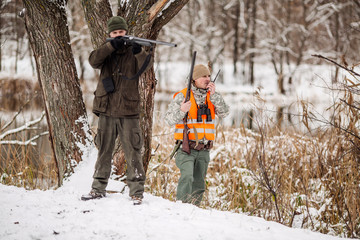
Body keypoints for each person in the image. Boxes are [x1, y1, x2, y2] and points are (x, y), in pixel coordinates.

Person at [81, 16, 153, 205]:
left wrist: (138, 52)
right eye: (115, 33)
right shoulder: (105, 51)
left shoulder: (133, 50)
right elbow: (93, 61)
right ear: (109, 34)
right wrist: (111, 46)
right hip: (106, 109)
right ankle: (97, 189)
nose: (119, 35)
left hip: (128, 110)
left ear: (126, 32)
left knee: (133, 152)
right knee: (104, 151)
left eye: (121, 32)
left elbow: (147, 66)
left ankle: (136, 192)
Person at [164, 64, 229, 206]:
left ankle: (194, 211)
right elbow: (168, 119)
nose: (207, 79)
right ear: (194, 79)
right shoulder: (182, 95)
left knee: (199, 184)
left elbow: (224, 113)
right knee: (187, 177)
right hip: (186, 149)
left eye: (208, 76)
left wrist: (215, 96)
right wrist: (182, 110)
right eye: (203, 76)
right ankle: (180, 208)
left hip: (204, 150)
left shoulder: (212, 97)